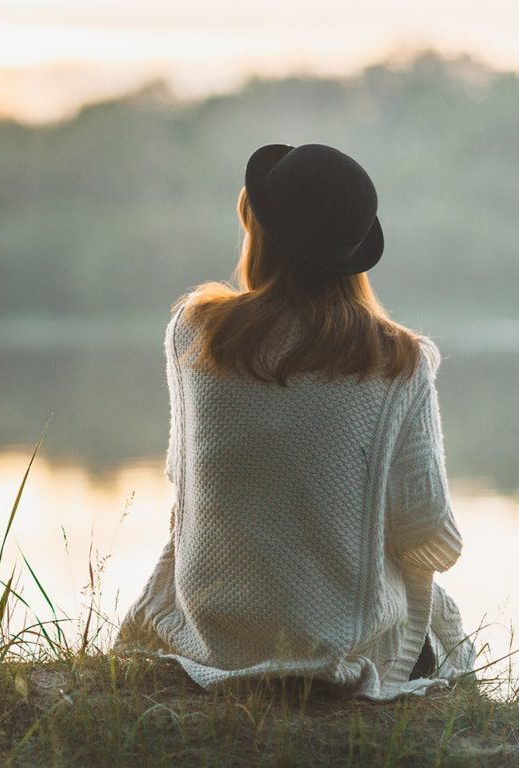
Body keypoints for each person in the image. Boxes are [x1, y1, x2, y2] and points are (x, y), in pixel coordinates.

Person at [114, 143, 475, 700]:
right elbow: (426, 531)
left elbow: (183, 481)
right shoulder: (400, 361)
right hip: (335, 653)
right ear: (349, 254)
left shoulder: (195, 333)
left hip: (214, 633)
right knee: (439, 619)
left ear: (261, 238)